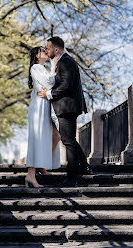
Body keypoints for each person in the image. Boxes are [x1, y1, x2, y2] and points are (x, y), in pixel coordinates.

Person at [38, 36, 93, 187]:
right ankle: (85, 168)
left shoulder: (66, 62)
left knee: (68, 141)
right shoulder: (61, 62)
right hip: (65, 107)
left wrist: (48, 94)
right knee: (70, 139)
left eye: (48, 48)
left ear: (56, 50)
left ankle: (72, 177)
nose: (46, 50)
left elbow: (67, 85)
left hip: (67, 107)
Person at [25, 46, 60, 188]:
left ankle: (40, 165)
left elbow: (50, 84)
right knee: (37, 138)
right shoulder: (35, 67)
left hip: (45, 105)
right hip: (39, 107)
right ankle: (30, 175)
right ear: (37, 55)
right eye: (43, 51)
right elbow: (51, 82)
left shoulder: (42, 69)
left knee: (55, 136)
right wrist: (53, 70)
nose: (46, 52)